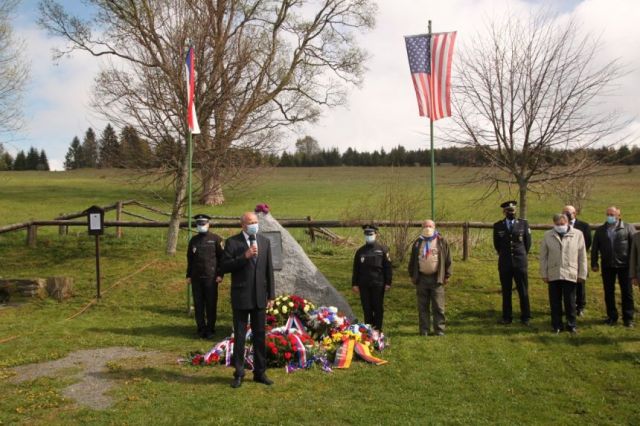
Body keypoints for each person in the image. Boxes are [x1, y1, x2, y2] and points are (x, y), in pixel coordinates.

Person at [221, 211, 275, 388]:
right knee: (240, 336)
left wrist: (271, 295)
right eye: (250, 222)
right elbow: (225, 266)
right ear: (242, 225)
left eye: (255, 221)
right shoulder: (232, 242)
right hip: (241, 296)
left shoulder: (264, 242)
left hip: (260, 297)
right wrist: (244, 257)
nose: (254, 224)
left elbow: (269, 271)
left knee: (260, 336)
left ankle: (260, 372)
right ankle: (239, 373)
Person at [540, 213, 588, 333]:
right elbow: (543, 256)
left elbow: (582, 256)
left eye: (562, 224)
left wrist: (582, 274)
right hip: (553, 272)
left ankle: (571, 324)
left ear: (567, 223)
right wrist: (544, 273)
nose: (560, 226)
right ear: (554, 224)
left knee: (570, 301)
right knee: (555, 301)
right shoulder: (547, 235)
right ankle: (556, 325)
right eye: (557, 224)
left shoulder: (578, 234)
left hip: (570, 272)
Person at [591, 206, 636, 327]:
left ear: (619, 215)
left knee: (627, 292)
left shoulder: (628, 228)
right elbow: (595, 248)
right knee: (609, 292)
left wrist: (635, 265)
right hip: (607, 265)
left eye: (612, 214)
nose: (609, 216)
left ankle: (628, 318)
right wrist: (594, 263)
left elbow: (634, 248)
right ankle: (611, 316)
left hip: (625, 265)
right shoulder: (600, 230)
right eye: (608, 214)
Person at [408, 220, 452, 336]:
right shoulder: (418, 242)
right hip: (421, 279)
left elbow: (448, 260)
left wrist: (447, 275)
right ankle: (424, 330)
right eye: (425, 226)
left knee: (438, 306)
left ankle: (439, 330)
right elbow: (412, 261)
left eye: (430, 226)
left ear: (434, 227)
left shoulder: (441, 241)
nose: (428, 228)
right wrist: (412, 275)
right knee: (423, 307)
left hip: (437, 278)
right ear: (422, 227)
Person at [493, 201, 532, 325]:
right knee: (506, 290)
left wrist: (521, 255)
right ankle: (507, 317)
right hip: (505, 263)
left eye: (513, 210)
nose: (512, 212)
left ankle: (526, 317)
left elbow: (527, 243)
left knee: (523, 290)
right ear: (504, 212)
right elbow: (497, 245)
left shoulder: (523, 224)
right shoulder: (498, 225)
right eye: (509, 211)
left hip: (520, 262)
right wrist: (505, 255)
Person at [186, 214, 224, 339]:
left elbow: (221, 258)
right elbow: (190, 259)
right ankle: (201, 328)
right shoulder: (193, 240)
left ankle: (210, 329)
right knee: (198, 304)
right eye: (199, 224)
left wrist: (220, 274)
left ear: (208, 224)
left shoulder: (216, 239)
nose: (201, 226)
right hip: (196, 277)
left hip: (211, 277)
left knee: (211, 304)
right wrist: (188, 275)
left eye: (203, 224)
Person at [352, 225, 393, 331]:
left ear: (376, 235)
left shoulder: (382, 249)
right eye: (367, 235)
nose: (369, 236)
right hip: (364, 284)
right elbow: (356, 268)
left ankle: (377, 330)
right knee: (367, 308)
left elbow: (388, 267)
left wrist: (388, 282)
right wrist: (354, 284)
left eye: (371, 234)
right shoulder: (360, 251)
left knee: (378, 307)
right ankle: (369, 330)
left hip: (378, 284)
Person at [562, 205, 592, 317]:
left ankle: (580, 307)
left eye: (568, 212)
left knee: (580, 284)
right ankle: (568, 306)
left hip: (578, 259)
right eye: (564, 212)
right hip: (564, 260)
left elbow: (588, 242)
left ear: (574, 213)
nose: (566, 214)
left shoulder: (584, 226)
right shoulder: (561, 225)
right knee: (566, 284)